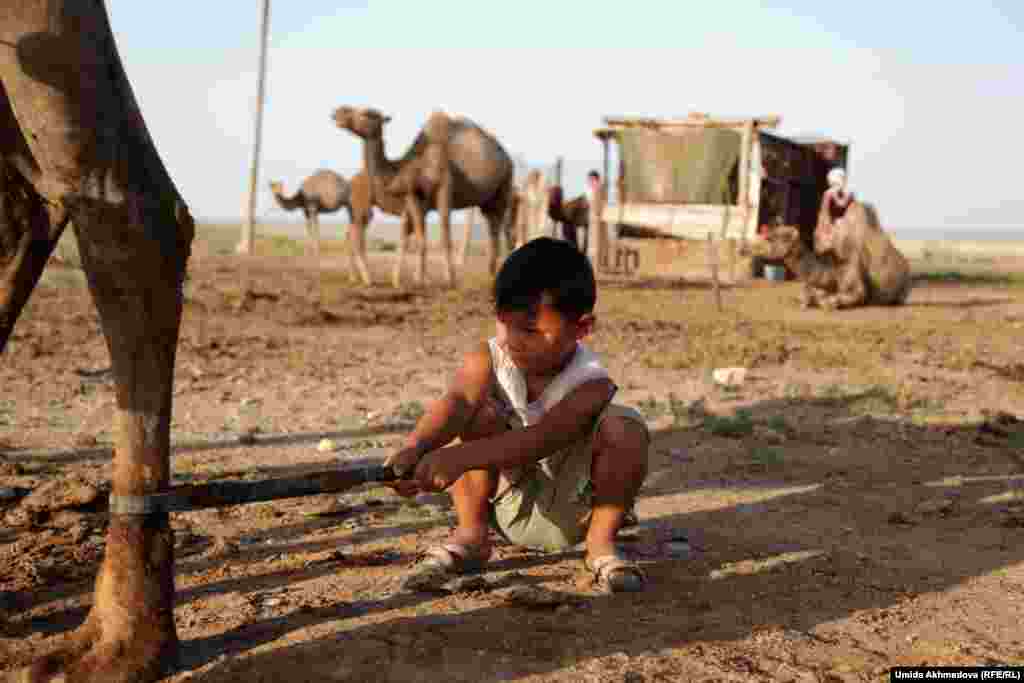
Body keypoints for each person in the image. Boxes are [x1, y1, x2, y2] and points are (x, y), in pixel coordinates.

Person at [384, 237, 651, 593]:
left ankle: (600, 545)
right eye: (503, 323)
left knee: (625, 427)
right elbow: (458, 401)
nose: (512, 340)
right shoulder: (489, 358)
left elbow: (542, 439)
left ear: (582, 328)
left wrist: (458, 457)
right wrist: (415, 448)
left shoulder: (592, 384)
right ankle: (471, 535)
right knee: (477, 412)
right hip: (507, 503)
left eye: (529, 330)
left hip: (573, 512)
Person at [814, 166, 854, 255]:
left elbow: (847, 207)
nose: (844, 182)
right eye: (842, 179)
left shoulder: (844, 193)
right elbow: (839, 205)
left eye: (844, 179)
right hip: (829, 225)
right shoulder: (829, 193)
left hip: (841, 224)